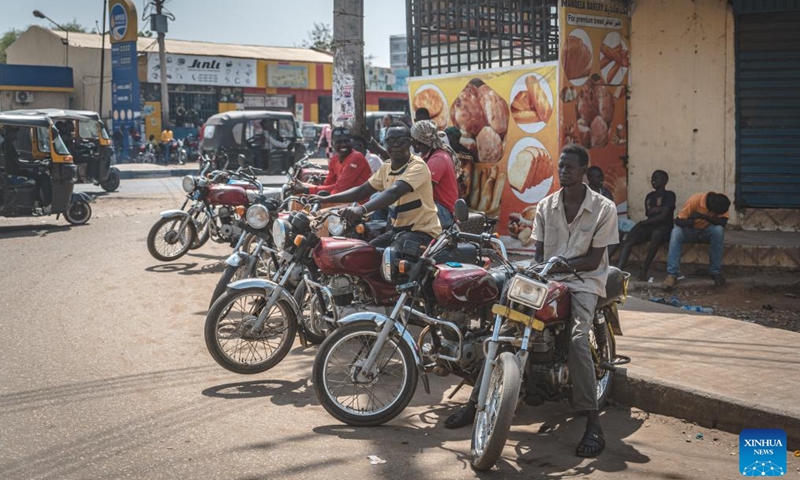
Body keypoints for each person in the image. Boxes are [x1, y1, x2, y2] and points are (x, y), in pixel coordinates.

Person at [445, 144, 618, 459]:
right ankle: (474, 403)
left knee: (579, 339)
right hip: (548, 278)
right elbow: (539, 256)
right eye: (561, 166)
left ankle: (593, 423)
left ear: (583, 171)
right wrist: (535, 270)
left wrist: (560, 264)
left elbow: (594, 260)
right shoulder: (546, 205)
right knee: (500, 327)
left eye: (570, 167)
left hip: (584, 283)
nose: (563, 171)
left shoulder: (604, 208)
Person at [309, 122, 441, 249]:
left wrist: (362, 209)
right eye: (390, 141)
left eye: (400, 141)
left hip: (422, 232)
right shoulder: (387, 167)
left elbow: (394, 192)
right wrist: (325, 199)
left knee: (391, 257)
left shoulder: (417, 166)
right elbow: (362, 190)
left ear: (410, 143)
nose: (395, 145)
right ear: (385, 143)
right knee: (365, 254)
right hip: (398, 231)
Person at [615, 170, 676, 280]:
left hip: (665, 228)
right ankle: (619, 269)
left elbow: (663, 216)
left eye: (656, 178)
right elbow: (650, 213)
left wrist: (643, 222)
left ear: (664, 180)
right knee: (632, 235)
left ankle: (644, 268)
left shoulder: (670, 195)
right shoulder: (649, 196)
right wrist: (657, 211)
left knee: (656, 234)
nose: (653, 180)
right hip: (650, 226)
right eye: (652, 178)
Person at [664, 191, 731, 288]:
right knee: (676, 232)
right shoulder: (694, 200)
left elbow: (723, 222)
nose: (716, 214)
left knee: (719, 230)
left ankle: (715, 271)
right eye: (715, 213)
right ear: (711, 206)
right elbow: (678, 221)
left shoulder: (722, 201)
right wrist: (692, 222)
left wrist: (703, 217)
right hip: (691, 231)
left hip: (706, 232)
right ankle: (672, 274)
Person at [409, 121, 460, 228]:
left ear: (418, 141)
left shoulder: (438, 159)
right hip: (438, 208)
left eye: (412, 139)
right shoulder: (428, 156)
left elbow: (424, 190)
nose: (411, 142)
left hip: (445, 212)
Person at [293, 127, 371, 197]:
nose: (343, 144)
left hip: (358, 203)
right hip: (342, 199)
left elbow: (340, 188)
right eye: (339, 142)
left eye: (346, 141)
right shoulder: (334, 160)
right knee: (299, 195)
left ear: (351, 142)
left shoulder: (356, 157)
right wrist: (305, 187)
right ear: (332, 144)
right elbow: (328, 184)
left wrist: (307, 190)